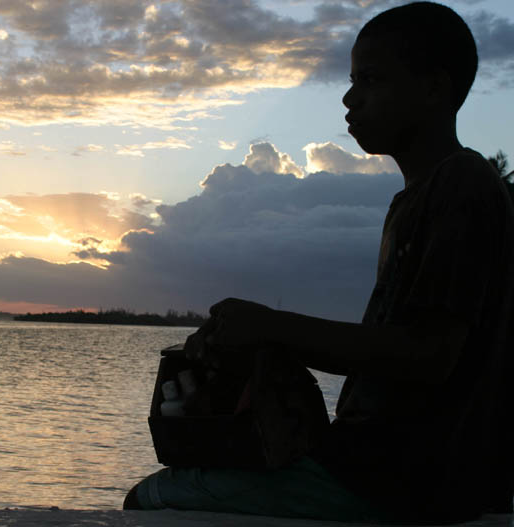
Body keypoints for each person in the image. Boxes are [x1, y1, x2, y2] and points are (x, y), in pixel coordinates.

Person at [124, 1, 514, 523]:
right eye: (352, 80)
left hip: (402, 481)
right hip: (380, 468)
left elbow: (428, 355)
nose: (350, 98)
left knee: (147, 500)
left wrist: (269, 325)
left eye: (370, 79)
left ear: (434, 88)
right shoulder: (418, 197)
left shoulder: (461, 184)